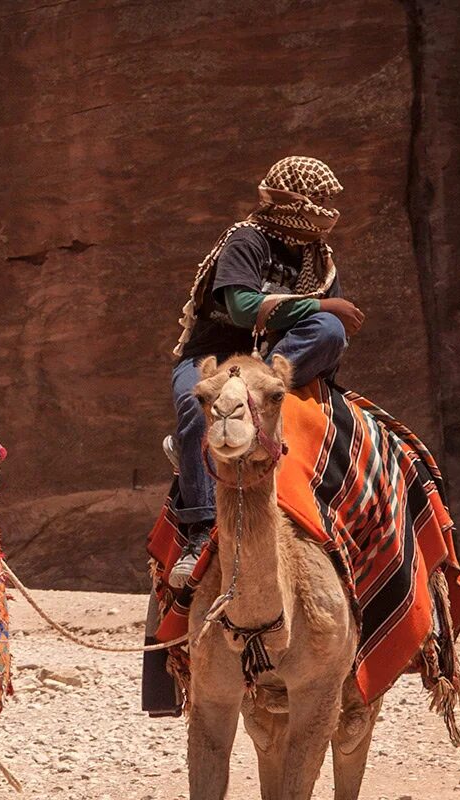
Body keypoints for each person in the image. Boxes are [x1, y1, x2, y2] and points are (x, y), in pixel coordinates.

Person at [165, 156, 365, 587]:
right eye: (318, 201)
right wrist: (323, 304)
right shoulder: (247, 241)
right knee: (194, 402)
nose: (327, 211)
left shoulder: (318, 257)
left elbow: (330, 334)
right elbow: (241, 308)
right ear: (293, 203)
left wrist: (324, 321)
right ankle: (200, 530)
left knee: (329, 332)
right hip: (215, 361)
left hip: (274, 364)